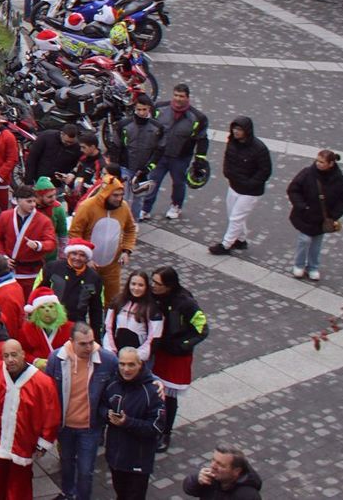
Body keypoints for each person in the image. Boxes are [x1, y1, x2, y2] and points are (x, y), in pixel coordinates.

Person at [0, 339, 61, 500]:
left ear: (23, 355)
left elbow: (51, 415)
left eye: (14, 355)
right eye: (6, 356)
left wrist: (43, 443)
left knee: (20, 489)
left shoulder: (43, 383)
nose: (10, 360)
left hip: (23, 446)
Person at [44, 322, 115, 500]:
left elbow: (131, 369)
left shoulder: (106, 360)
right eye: (83, 344)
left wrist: (153, 381)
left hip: (90, 427)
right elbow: (46, 391)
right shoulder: (56, 359)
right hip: (65, 426)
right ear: (71, 342)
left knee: (85, 471)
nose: (88, 347)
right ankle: (68, 493)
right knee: (67, 463)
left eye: (91, 342)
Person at [149, 266, 206, 453]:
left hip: (175, 356)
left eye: (158, 283)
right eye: (153, 281)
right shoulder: (153, 296)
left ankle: (165, 432)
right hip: (158, 351)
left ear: (169, 285)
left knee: (168, 397)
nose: (153, 286)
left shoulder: (186, 303)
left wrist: (183, 344)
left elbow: (202, 328)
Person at [100, 347, 166, 500]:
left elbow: (156, 427)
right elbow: (101, 406)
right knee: (121, 495)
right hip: (115, 457)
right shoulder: (112, 384)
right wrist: (106, 414)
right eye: (122, 364)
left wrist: (127, 422)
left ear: (140, 364)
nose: (126, 369)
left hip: (138, 460)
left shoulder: (152, 391)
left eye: (131, 365)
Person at [140, 83, 209, 222]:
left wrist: (200, 159)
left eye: (181, 96)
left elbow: (202, 139)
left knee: (178, 183)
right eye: (176, 95)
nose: (178, 99)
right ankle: (145, 209)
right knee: (153, 181)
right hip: (160, 155)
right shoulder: (159, 108)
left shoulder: (198, 117)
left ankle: (176, 206)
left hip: (181, 157)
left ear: (187, 98)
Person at [67, 170, 136, 307]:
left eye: (121, 195)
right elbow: (75, 234)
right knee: (83, 301)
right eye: (115, 195)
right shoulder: (87, 207)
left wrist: (126, 251)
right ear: (105, 194)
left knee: (113, 302)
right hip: (87, 267)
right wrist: (85, 258)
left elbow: (130, 229)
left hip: (112, 267)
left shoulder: (123, 207)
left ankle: (108, 326)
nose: (119, 199)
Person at [211, 116, 271, 256]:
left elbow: (265, 171)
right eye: (235, 128)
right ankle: (241, 239)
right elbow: (227, 160)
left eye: (239, 129)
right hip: (234, 186)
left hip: (250, 191)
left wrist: (250, 183)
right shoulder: (232, 143)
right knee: (234, 214)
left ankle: (226, 244)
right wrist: (227, 173)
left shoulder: (259, 149)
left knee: (236, 217)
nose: (236, 131)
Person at [286, 148, 343, 282]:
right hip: (306, 215)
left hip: (322, 218)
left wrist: (333, 216)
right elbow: (293, 189)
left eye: (322, 162)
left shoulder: (338, 178)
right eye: (317, 161)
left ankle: (313, 267)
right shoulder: (307, 173)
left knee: (316, 243)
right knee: (305, 240)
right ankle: (299, 265)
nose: (318, 164)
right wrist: (302, 206)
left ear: (331, 164)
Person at [0, 186, 56, 293]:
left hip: (32, 272)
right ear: (18, 200)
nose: (33, 204)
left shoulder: (44, 220)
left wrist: (38, 245)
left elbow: (51, 243)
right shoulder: (5, 216)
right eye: (29, 201)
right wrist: (3, 257)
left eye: (34, 201)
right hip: (9, 270)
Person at [41, 239, 105, 338]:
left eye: (82, 255)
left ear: (87, 258)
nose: (77, 258)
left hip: (76, 326)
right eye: (74, 254)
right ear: (68, 254)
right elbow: (38, 292)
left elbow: (96, 309)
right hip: (50, 321)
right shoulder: (52, 268)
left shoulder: (94, 278)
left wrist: (96, 336)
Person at [183, 445, 264, 498]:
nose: (213, 466)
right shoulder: (211, 477)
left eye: (220, 465)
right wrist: (196, 480)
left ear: (236, 471)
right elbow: (188, 489)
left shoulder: (248, 496)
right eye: (213, 460)